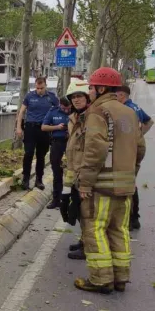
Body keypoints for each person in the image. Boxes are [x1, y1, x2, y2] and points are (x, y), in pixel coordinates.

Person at [74, 67, 146, 295]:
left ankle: (101, 279)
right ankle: (121, 278)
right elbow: (140, 148)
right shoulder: (130, 113)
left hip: (102, 186)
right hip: (126, 185)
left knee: (94, 229)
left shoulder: (98, 112)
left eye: (92, 87)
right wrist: (131, 172)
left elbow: (95, 149)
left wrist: (85, 182)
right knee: (119, 230)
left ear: (102, 88)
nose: (90, 92)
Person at [116, 85, 154, 230]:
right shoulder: (135, 107)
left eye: (116, 96)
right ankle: (134, 218)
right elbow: (149, 121)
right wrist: (140, 135)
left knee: (127, 184)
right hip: (137, 146)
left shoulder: (126, 110)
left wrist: (134, 137)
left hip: (130, 149)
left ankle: (131, 219)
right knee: (130, 181)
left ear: (122, 95)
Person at [61, 80, 91, 261]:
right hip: (73, 171)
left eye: (80, 96)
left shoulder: (92, 118)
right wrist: (67, 186)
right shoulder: (73, 118)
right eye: (73, 97)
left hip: (86, 173)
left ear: (87, 97)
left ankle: (88, 246)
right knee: (78, 211)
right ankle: (83, 240)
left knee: (87, 213)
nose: (76, 100)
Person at [15, 77, 59, 190]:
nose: (39, 90)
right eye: (37, 88)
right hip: (31, 128)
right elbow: (21, 112)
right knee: (28, 153)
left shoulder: (52, 97)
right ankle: (25, 179)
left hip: (44, 129)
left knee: (41, 155)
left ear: (46, 86)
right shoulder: (29, 96)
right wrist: (18, 127)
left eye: (41, 88)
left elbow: (58, 111)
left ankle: (39, 179)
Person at [42, 96, 72, 209]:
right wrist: (57, 127)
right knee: (57, 172)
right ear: (60, 105)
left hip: (71, 144)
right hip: (57, 144)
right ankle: (56, 200)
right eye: (64, 109)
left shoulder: (75, 112)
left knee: (72, 172)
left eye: (68, 109)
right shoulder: (53, 112)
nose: (66, 111)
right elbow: (43, 127)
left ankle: (71, 200)